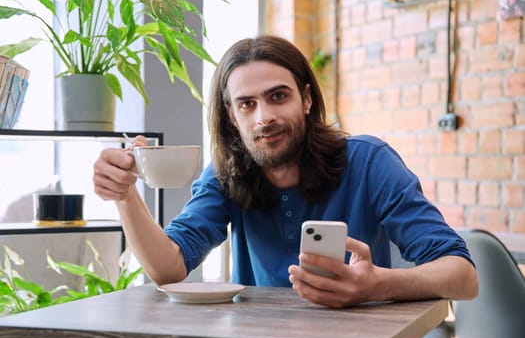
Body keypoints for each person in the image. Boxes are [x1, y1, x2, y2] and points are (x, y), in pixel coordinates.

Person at [93, 35, 478, 309]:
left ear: (306, 98)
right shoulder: (226, 174)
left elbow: (462, 276)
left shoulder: (369, 161)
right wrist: (125, 197)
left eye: (278, 96)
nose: (264, 117)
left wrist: (377, 284)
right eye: (247, 104)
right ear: (231, 115)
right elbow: (169, 269)